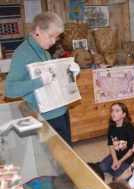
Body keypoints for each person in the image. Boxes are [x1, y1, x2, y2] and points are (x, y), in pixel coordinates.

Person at [4, 12, 80, 146]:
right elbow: (9, 90)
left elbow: (54, 82)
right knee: (51, 163)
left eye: (56, 38)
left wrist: (70, 74)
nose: (53, 41)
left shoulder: (45, 51)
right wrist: (40, 81)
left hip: (61, 112)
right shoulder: (21, 54)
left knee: (67, 155)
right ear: (38, 30)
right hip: (44, 118)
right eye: (51, 36)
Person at [99, 102, 134, 178]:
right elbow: (111, 145)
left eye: (117, 111)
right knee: (102, 167)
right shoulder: (111, 127)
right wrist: (115, 160)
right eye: (112, 110)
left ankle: (130, 169)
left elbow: (131, 150)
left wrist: (120, 162)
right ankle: (116, 167)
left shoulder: (130, 129)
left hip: (127, 158)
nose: (113, 113)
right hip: (116, 155)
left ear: (124, 114)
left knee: (116, 175)